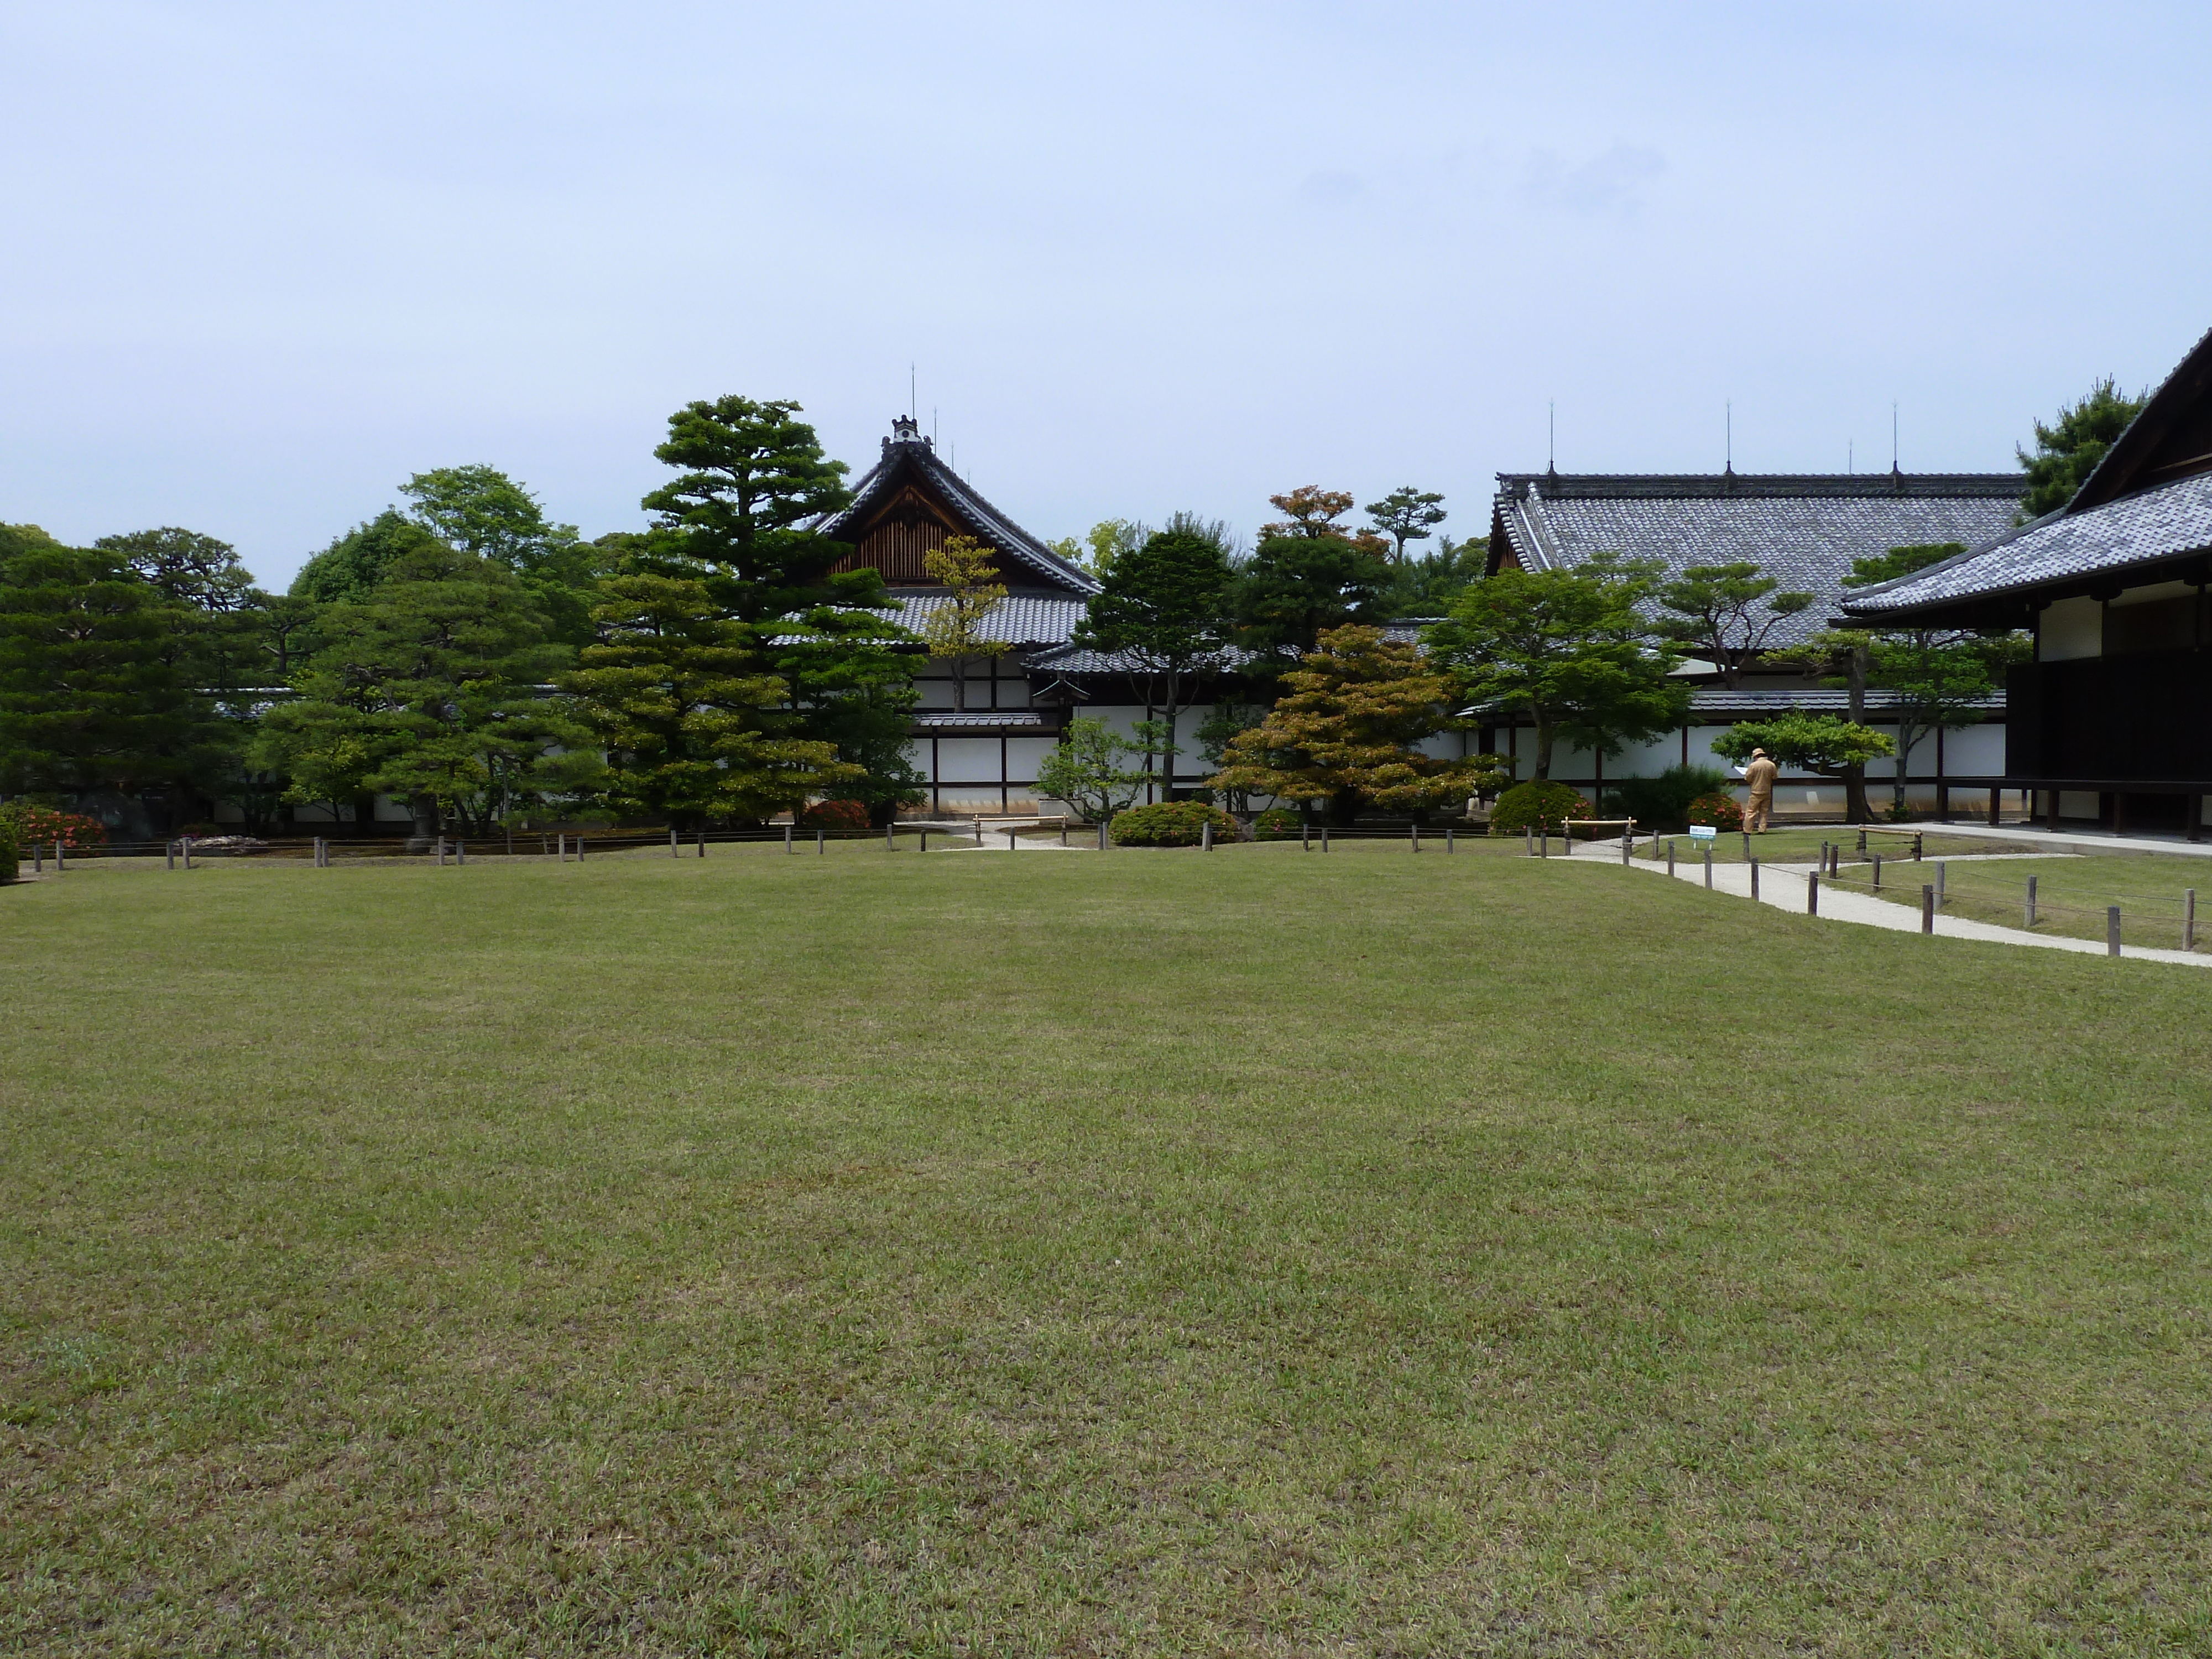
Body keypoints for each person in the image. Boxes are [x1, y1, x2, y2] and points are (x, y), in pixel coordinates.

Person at [1743, 747, 1778, 832]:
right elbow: (1775, 777)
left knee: (1751, 812)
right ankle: (1762, 829)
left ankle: (1747, 830)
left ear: (1755, 756)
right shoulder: (1771, 765)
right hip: (1767, 791)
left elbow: (1748, 778)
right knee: (1764, 812)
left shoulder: (1753, 765)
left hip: (1756, 791)